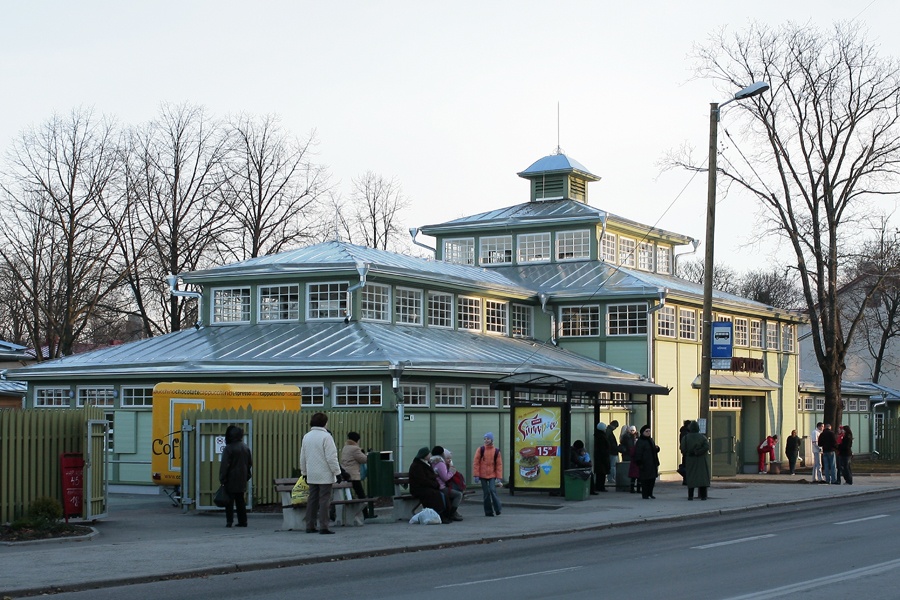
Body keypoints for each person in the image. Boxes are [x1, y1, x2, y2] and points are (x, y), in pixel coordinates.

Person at [299, 412, 342, 534]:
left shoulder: (307, 436)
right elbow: (331, 457)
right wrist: (337, 472)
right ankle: (324, 526)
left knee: (312, 499)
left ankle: (310, 525)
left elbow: (303, 456)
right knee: (324, 500)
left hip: (312, 473)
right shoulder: (326, 437)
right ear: (325, 423)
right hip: (325, 474)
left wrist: (304, 472)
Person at [219, 424, 252, 528]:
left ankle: (229, 521)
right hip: (242, 478)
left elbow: (225, 465)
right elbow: (249, 463)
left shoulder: (228, 448)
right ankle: (243, 521)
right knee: (240, 500)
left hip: (230, 478)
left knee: (229, 501)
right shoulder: (245, 447)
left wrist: (222, 478)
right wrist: (247, 475)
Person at [410, 447, 451, 523]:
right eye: (429, 454)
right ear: (425, 455)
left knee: (442, 494)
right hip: (419, 489)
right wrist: (435, 484)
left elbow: (430, 477)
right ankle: (440, 514)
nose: (430, 455)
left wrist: (435, 484)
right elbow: (422, 480)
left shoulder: (426, 464)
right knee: (436, 495)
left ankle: (445, 514)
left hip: (427, 487)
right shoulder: (417, 466)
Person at [340, 431, 373, 519]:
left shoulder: (345, 447)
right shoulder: (355, 449)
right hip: (353, 475)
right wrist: (369, 455)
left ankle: (334, 512)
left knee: (347, 495)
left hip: (345, 473)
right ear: (357, 440)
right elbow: (363, 460)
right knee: (361, 495)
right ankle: (366, 514)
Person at [473, 432, 503, 517]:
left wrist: (499, 477)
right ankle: (488, 512)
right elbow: (476, 462)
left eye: (488, 439)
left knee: (493, 491)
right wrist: (476, 475)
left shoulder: (496, 451)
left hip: (492, 475)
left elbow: (499, 465)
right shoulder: (481, 449)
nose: (486, 440)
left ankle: (498, 509)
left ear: (492, 440)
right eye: (485, 439)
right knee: (486, 493)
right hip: (482, 475)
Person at [430, 445, 463, 520]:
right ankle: (452, 513)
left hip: (435, 486)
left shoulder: (432, 462)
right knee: (458, 494)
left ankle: (453, 512)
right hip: (441, 487)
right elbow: (445, 478)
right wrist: (452, 472)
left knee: (453, 492)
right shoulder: (440, 463)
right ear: (442, 454)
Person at [679, 421, 710, 501]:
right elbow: (706, 446)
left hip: (690, 459)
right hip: (701, 460)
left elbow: (682, 448)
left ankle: (690, 496)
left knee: (691, 477)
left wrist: (688, 453)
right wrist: (699, 452)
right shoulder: (702, 437)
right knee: (702, 478)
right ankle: (703, 496)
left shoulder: (685, 438)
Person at [633, 425, 660, 499]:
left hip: (652, 462)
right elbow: (638, 452)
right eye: (646, 431)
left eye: (649, 431)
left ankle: (650, 493)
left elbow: (653, 450)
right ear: (643, 432)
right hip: (645, 463)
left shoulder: (650, 440)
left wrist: (657, 449)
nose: (648, 433)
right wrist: (639, 462)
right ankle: (645, 494)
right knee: (645, 480)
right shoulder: (641, 441)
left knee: (652, 479)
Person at [593, 423, 611, 492]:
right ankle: (600, 487)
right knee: (602, 473)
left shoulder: (598, 436)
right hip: (602, 457)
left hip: (599, 457)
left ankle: (599, 486)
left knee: (600, 473)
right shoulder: (602, 437)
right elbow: (604, 448)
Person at [606, 420, 620, 485]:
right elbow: (611, 443)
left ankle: (610, 478)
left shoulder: (608, 431)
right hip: (612, 452)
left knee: (611, 465)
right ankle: (611, 478)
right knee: (612, 466)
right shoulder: (609, 432)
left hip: (611, 451)